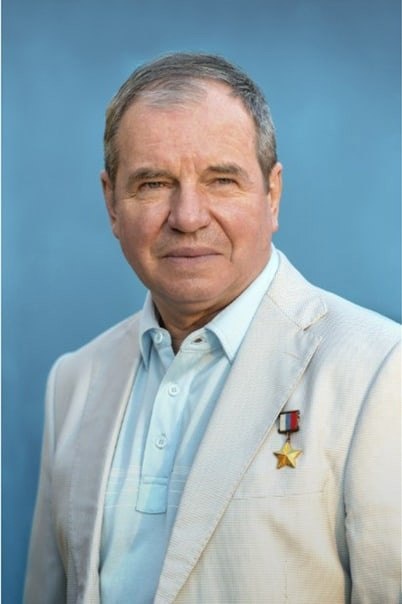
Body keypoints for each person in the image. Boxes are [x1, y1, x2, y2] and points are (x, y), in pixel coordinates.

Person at [24, 53, 400, 604]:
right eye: (153, 183)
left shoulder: (379, 370)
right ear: (111, 203)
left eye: (221, 180)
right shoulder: (73, 383)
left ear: (272, 194)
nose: (188, 216)